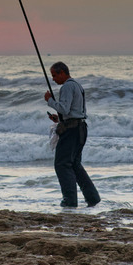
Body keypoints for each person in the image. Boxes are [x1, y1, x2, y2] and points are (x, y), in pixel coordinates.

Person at [44, 61, 101, 208]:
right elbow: (73, 111)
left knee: (62, 164)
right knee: (75, 164)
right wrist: (59, 119)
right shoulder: (77, 85)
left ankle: (70, 201)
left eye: (55, 75)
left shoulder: (67, 86)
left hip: (72, 131)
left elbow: (64, 108)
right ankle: (92, 198)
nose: (53, 79)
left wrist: (49, 100)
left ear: (62, 72)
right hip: (80, 128)